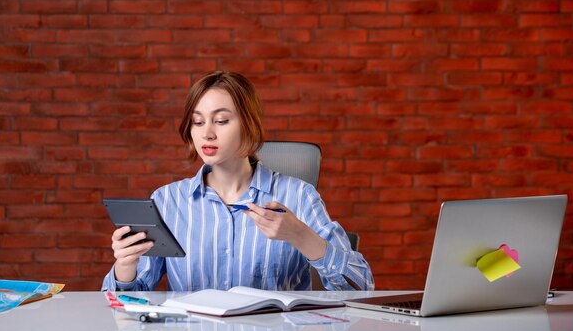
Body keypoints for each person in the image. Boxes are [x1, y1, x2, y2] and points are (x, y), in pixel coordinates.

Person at [102, 71, 374, 292]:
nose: (207, 133)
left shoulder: (299, 195)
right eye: (197, 122)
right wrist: (125, 266)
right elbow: (123, 306)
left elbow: (361, 287)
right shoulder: (167, 201)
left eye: (221, 120)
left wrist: (300, 236)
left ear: (249, 125)